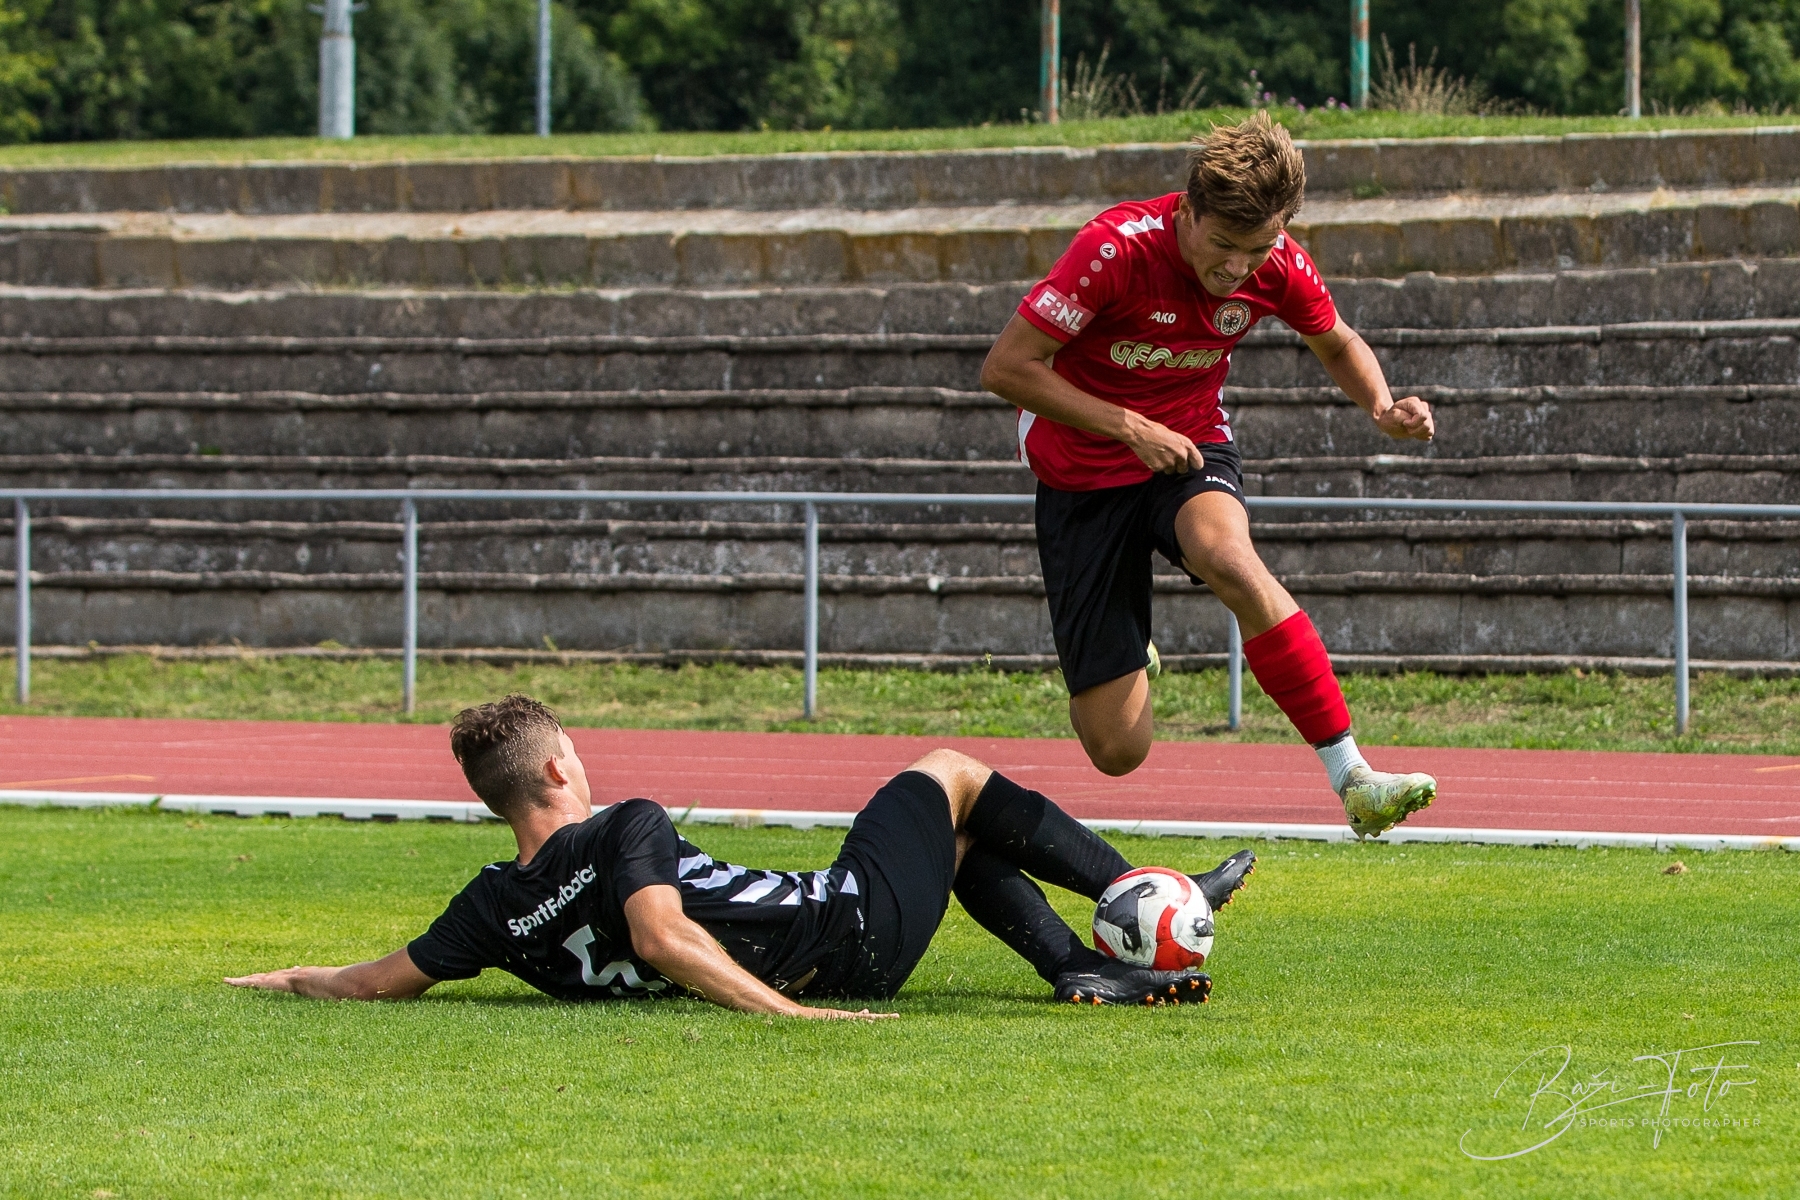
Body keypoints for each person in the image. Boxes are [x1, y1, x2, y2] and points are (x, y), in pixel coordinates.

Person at [979, 111, 1437, 839]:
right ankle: (1131, 643)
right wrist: (1130, 427)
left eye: (1257, 248)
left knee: (1229, 557)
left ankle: (1352, 775)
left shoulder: (1279, 263)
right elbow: (1006, 367)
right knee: (1118, 751)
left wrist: (1382, 406)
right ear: (1187, 211)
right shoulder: (1113, 249)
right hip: (1080, 473)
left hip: (1190, 447)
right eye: (1223, 244)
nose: (1236, 268)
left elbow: (1336, 339)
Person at [227, 695, 1256, 1014]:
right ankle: (1136, 889)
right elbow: (661, 936)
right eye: (575, 753)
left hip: (839, 943)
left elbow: (374, 983)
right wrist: (789, 1015)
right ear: (554, 771)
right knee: (947, 773)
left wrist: (287, 978)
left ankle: (1076, 963)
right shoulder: (623, 823)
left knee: (957, 834)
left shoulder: (492, 905)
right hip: (841, 927)